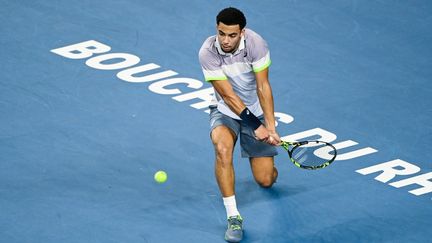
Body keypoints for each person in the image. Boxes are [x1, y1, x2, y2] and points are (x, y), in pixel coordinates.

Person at [198, 7, 281, 242]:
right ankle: (233, 216)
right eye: (221, 33)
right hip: (225, 112)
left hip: (255, 112)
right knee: (222, 148)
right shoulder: (207, 51)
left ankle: (269, 165)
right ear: (217, 28)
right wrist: (257, 126)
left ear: (242, 32)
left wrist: (271, 127)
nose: (225, 40)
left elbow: (263, 87)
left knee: (265, 180)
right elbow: (228, 97)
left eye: (232, 35)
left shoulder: (257, 44)